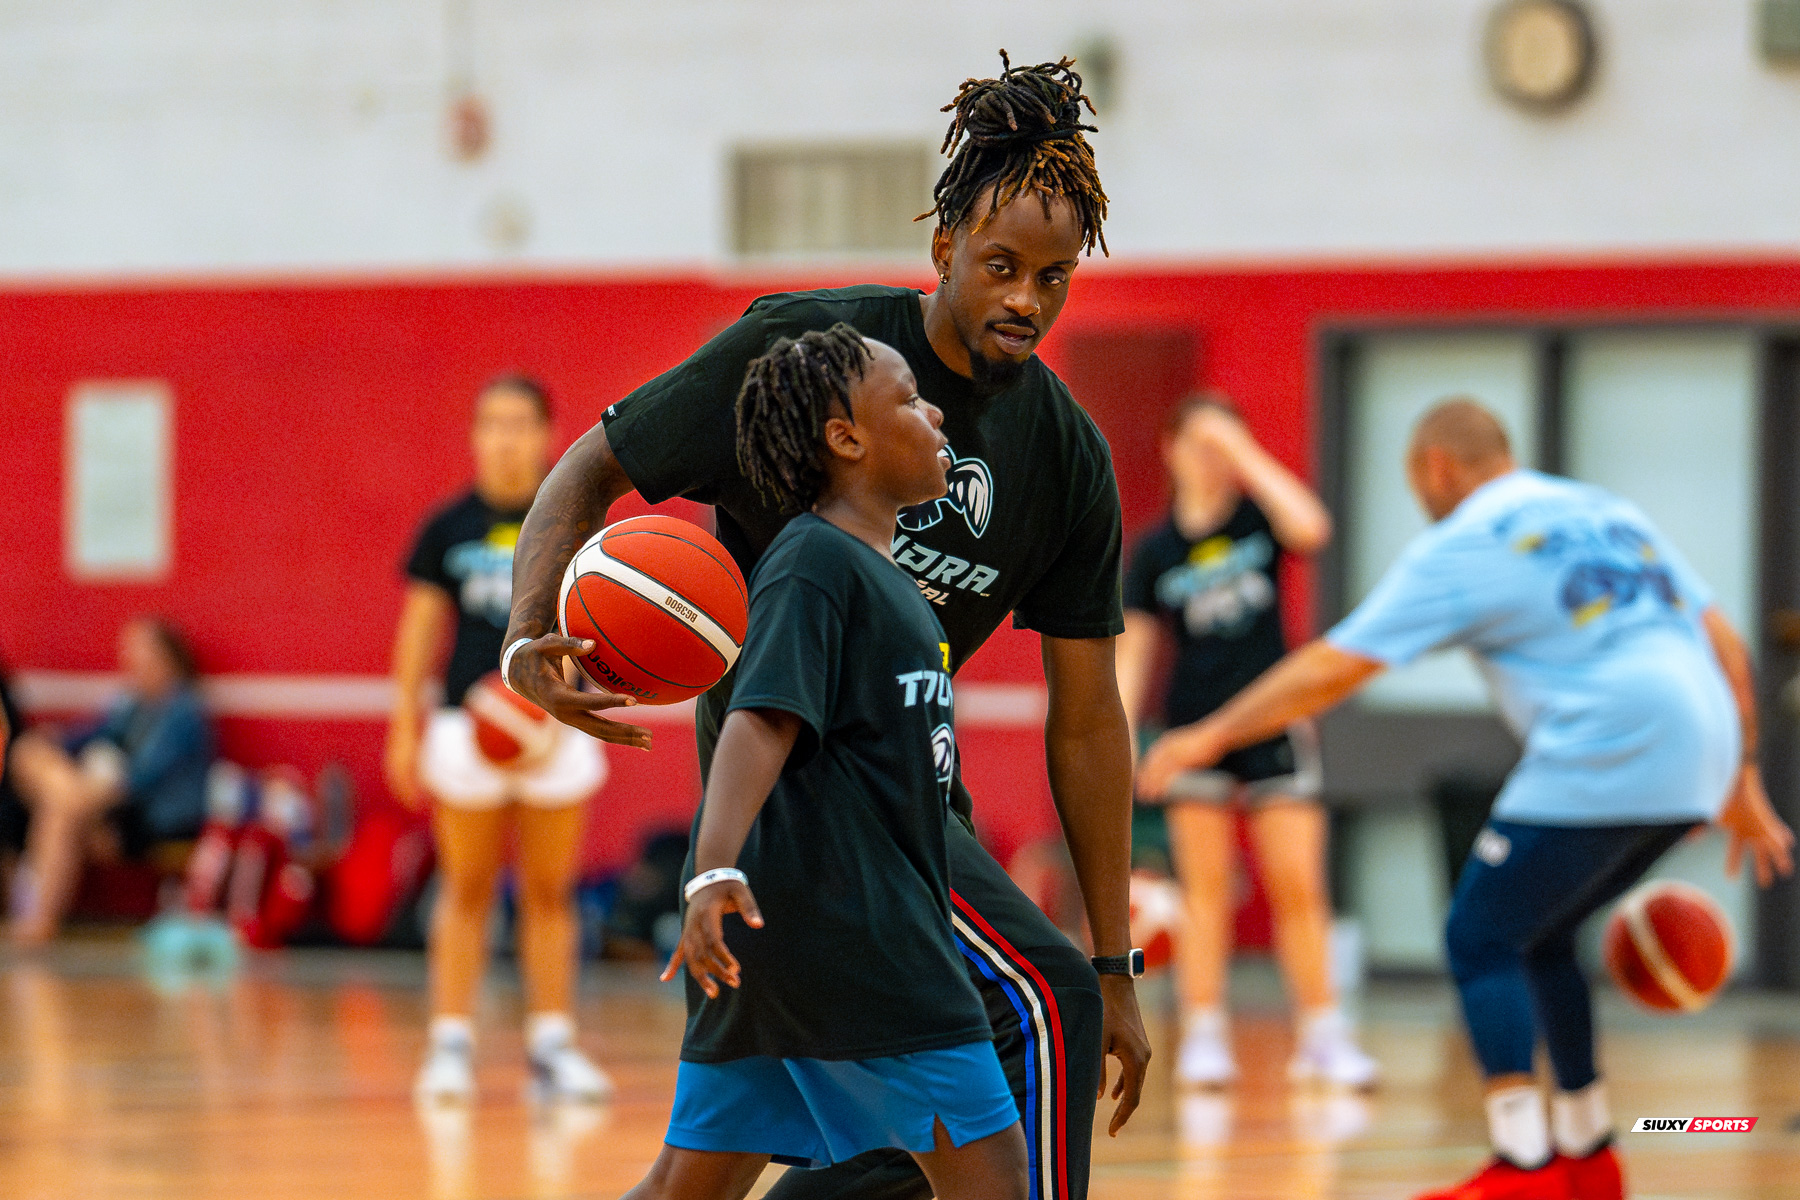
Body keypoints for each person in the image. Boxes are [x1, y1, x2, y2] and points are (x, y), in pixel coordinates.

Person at [502, 53, 1150, 1200]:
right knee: (1042, 1004)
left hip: (895, 807)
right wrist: (528, 635)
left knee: (778, 1154)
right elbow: (590, 471)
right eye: (1000, 266)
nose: (1025, 301)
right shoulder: (818, 367)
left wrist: (1121, 952)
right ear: (943, 247)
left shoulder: (1066, 453)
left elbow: (1090, 721)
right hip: (821, 815)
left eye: (1054, 279)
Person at [1139, 399, 1796, 1200]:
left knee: (1478, 935)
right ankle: (1588, 1154)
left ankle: (1521, 1166)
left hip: (1610, 741)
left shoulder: (1463, 543)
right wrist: (1741, 774)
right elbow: (1723, 639)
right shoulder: (1600, 509)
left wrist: (1204, 738)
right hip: (1700, 745)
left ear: (1436, 469)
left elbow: (1332, 668)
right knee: (1537, 931)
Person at [627, 324, 1027, 1200]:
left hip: (784, 951)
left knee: (680, 1190)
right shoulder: (813, 561)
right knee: (995, 1184)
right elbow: (760, 719)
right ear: (846, 439)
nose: (935, 416)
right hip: (869, 948)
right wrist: (707, 871)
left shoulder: (896, 587)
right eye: (909, 402)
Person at [1116, 393, 1376, 1089]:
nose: (1212, 456)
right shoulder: (1154, 549)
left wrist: (1240, 450)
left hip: (1271, 720)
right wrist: (1122, 741)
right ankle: (1204, 1034)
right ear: (1170, 448)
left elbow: (1312, 528)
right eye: (1199, 442)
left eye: (1224, 443)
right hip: (1192, 728)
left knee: (1299, 885)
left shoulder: (1259, 515)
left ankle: (1322, 1032)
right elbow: (1133, 652)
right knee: (1204, 890)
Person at [387, 374, 612, 1104]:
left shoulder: (577, 516)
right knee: (467, 888)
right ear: (476, 435)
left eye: (519, 423)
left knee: (551, 892)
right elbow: (419, 631)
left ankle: (552, 1046)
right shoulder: (447, 526)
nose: (505, 437)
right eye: (491, 422)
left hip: (556, 722)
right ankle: (450, 1042)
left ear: (548, 433)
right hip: (466, 725)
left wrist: (576, 700)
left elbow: (602, 624)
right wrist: (402, 726)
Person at [8, 616, 213, 947]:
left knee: (62, 813)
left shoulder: (181, 710)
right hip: (109, 807)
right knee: (30, 754)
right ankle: (39, 918)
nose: (131, 660)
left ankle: (37, 918)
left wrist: (88, 788)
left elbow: (139, 778)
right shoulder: (131, 704)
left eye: (140, 651)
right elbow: (84, 736)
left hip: (149, 821)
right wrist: (50, 744)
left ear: (166, 657)